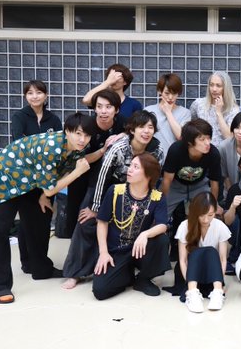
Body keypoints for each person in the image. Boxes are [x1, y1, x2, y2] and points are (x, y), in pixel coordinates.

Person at [0, 112, 97, 303]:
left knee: (40, 219)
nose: (82, 139)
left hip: (31, 180)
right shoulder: (51, 146)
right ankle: (0, 286)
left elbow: (69, 167)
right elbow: (53, 187)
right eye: (78, 133)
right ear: (67, 131)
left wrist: (44, 195)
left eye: (87, 135)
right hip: (5, 177)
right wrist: (76, 173)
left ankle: (39, 268)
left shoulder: (76, 148)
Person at [62, 111, 165, 289]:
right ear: (132, 130)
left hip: (138, 192)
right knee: (86, 223)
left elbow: (155, 178)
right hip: (107, 188)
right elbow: (102, 176)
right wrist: (95, 207)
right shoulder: (119, 147)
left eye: (150, 127)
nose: (146, 131)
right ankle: (76, 273)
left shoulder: (157, 150)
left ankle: (134, 268)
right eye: (141, 127)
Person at [92, 153, 170, 300]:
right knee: (100, 291)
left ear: (148, 175)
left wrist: (145, 234)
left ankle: (143, 279)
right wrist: (103, 252)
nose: (129, 169)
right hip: (116, 250)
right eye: (130, 165)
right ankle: (126, 274)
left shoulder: (157, 197)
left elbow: (162, 225)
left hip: (139, 249)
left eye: (136, 167)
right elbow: (102, 222)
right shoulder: (115, 191)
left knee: (162, 240)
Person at [10, 80, 63, 273]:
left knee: (43, 220)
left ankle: (38, 262)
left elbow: (57, 148)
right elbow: (20, 146)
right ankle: (29, 263)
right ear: (25, 96)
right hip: (25, 177)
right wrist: (43, 150)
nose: (35, 96)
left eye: (39, 92)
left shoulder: (53, 119)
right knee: (26, 221)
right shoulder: (19, 116)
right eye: (30, 93)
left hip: (48, 178)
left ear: (46, 95)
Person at [66, 89, 125, 237]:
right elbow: (78, 159)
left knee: (104, 214)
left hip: (107, 177)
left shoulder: (123, 123)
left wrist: (123, 134)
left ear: (116, 109)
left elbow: (134, 132)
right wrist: (103, 150)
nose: (103, 111)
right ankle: (75, 243)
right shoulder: (86, 125)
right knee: (77, 212)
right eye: (99, 106)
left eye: (108, 107)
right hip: (81, 173)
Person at [177, 193, 231, 313]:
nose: (206, 220)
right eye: (201, 215)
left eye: (210, 215)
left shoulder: (220, 226)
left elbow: (223, 259)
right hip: (190, 272)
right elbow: (183, 260)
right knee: (197, 252)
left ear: (215, 212)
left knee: (211, 251)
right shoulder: (185, 226)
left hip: (212, 273)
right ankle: (192, 293)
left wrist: (220, 282)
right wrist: (188, 283)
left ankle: (217, 292)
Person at [161, 119, 222, 217]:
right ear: (190, 142)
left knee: (210, 214)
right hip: (175, 185)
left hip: (199, 185)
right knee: (160, 213)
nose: (207, 143)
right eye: (202, 139)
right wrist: (161, 203)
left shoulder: (213, 153)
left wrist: (213, 205)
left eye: (208, 138)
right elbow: (167, 180)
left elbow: (214, 183)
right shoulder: (176, 150)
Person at [144, 73, 192, 155]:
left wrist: (168, 113)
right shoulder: (148, 110)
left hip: (175, 157)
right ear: (160, 91)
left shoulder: (185, 113)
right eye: (167, 93)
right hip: (152, 157)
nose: (170, 97)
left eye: (174, 93)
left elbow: (181, 137)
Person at [190, 71, 240, 146]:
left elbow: (229, 138)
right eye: (211, 85)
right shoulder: (198, 104)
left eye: (218, 86)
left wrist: (218, 112)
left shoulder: (233, 109)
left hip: (222, 150)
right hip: (201, 149)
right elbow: (191, 126)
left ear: (225, 88)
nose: (214, 89)